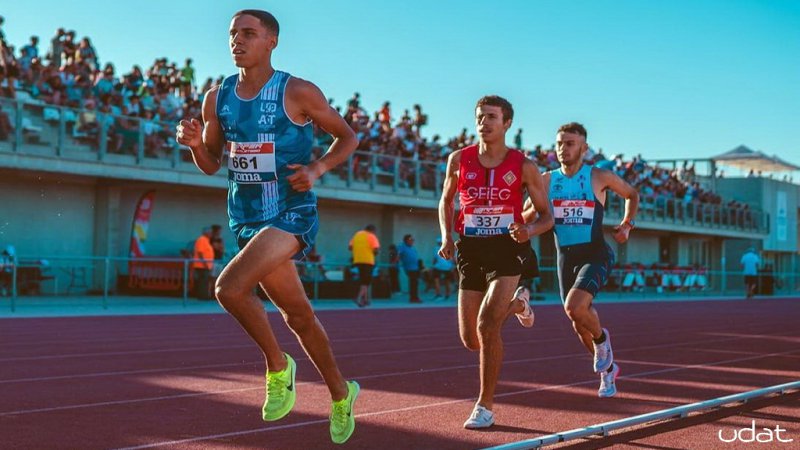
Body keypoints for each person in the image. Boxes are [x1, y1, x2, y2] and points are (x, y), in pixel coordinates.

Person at [175, 10, 360, 444]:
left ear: (271, 41)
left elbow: (348, 137)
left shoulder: (297, 91)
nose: (236, 41)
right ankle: (341, 393)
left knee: (229, 288)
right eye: (232, 34)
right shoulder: (216, 97)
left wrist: (316, 169)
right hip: (246, 218)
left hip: (291, 211)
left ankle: (278, 366)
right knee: (298, 315)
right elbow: (212, 164)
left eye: (248, 33)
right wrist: (196, 145)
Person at [438, 95, 553, 429]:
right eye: (479, 117)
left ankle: (484, 407)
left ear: (507, 123)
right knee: (470, 339)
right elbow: (446, 201)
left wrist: (529, 229)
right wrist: (446, 237)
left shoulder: (523, 165)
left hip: (507, 247)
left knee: (488, 325)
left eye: (491, 116)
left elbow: (546, 216)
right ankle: (518, 305)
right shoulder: (458, 159)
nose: (483, 122)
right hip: (470, 248)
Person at [523, 122, 639, 399]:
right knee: (577, 319)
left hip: (595, 253)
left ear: (584, 148)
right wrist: (516, 224)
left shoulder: (598, 176)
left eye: (570, 143)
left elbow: (631, 194)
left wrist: (627, 224)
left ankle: (602, 340)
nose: (563, 149)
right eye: (559, 144)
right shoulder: (547, 180)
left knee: (574, 306)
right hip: (566, 256)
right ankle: (608, 370)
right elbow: (528, 213)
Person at [349, 224, 380, 307]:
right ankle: (358, 298)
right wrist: (373, 253)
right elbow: (376, 249)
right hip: (368, 261)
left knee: (363, 279)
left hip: (357, 260)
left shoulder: (357, 235)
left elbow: (350, 247)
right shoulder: (371, 236)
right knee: (366, 281)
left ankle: (365, 299)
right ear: (372, 230)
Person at [397, 234, 421, 303]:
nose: (412, 241)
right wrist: (396, 261)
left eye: (413, 240)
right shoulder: (402, 247)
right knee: (413, 283)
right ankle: (413, 298)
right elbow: (398, 255)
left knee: (415, 283)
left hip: (415, 268)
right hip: (410, 268)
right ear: (406, 240)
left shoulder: (412, 248)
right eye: (410, 240)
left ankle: (415, 297)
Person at [192, 227, 214, 299]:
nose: (211, 234)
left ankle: (204, 295)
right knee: (203, 281)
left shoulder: (207, 240)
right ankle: (202, 296)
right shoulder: (202, 239)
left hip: (205, 265)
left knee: (205, 281)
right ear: (206, 233)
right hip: (201, 266)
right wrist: (205, 264)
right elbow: (200, 253)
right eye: (210, 232)